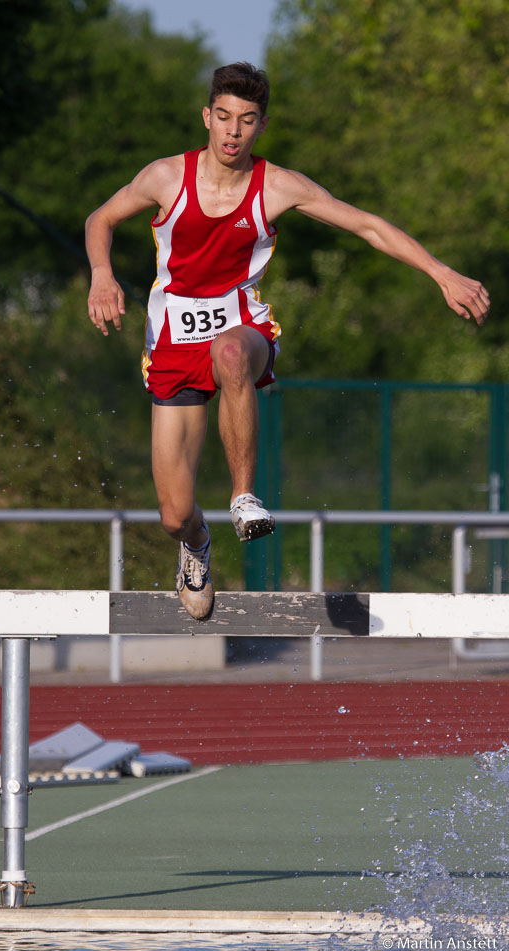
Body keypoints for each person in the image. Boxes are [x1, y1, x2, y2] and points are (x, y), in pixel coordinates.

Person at [85, 62, 490, 622]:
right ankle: (197, 545)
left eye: (247, 120)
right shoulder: (166, 177)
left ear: (262, 125)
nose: (233, 131)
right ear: (206, 117)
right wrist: (101, 274)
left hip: (242, 324)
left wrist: (441, 273)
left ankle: (243, 497)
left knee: (230, 352)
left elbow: (367, 226)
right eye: (224, 117)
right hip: (173, 339)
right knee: (174, 513)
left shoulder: (277, 186)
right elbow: (100, 219)